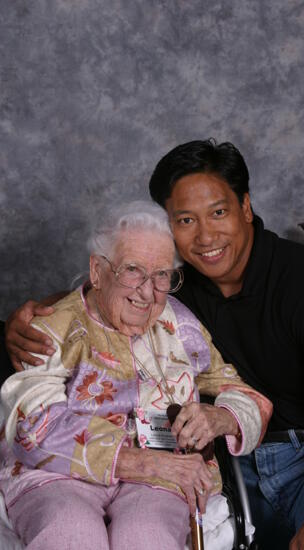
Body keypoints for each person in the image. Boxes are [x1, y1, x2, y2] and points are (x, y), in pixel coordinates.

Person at [4, 139, 304, 549]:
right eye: (185, 220)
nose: (205, 235)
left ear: (245, 207)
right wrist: (30, 314)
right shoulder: (169, 285)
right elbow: (99, 298)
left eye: (218, 212)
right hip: (204, 466)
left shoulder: (303, 287)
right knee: (76, 530)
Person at [0, 200, 272, 550]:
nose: (148, 291)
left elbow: (239, 390)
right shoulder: (52, 327)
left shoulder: (179, 324)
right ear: (97, 271)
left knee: (146, 538)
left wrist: (222, 417)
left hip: (162, 482)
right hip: (57, 475)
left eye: (162, 274)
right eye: (133, 270)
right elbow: (32, 426)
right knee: (71, 533)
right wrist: (143, 463)